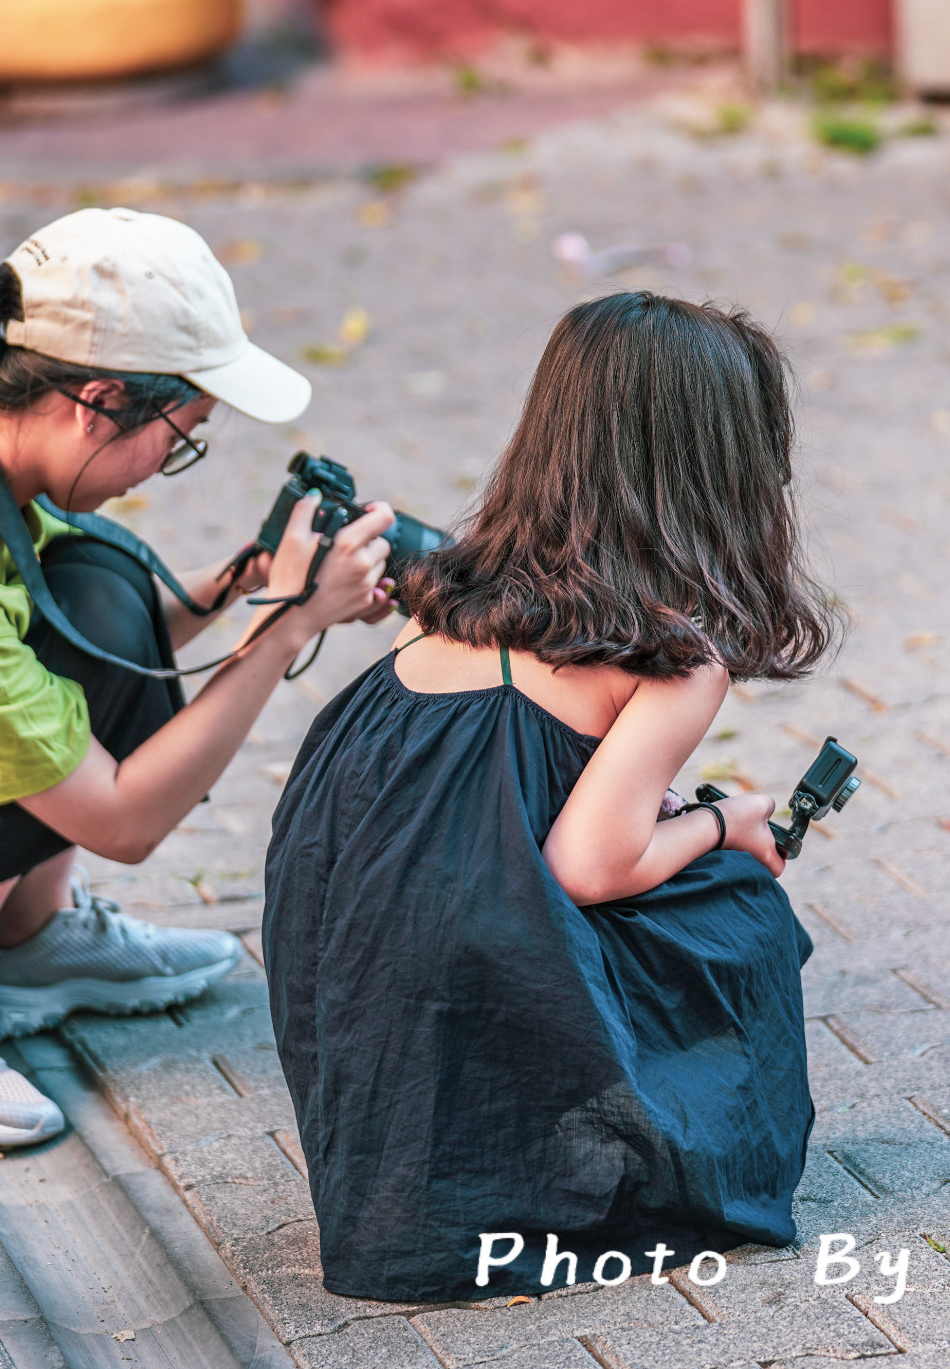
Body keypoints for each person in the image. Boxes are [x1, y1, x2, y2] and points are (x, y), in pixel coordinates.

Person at [265, 291, 839, 1302]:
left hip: (353, 964)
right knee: (740, 910)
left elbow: (473, 786)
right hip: (484, 964)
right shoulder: (675, 651)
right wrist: (725, 823)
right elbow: (590, 864)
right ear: (724, 471)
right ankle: (642, 1166)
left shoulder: (455, 582)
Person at [0, 208, 396, 1150]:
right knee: (43, 673)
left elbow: (90, 627)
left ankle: (28, 940)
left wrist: (253, 585)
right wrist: (291, 628)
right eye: (182, 435)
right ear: (98, 400)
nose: (170, 466)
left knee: (100, 590)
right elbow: (122, 820)